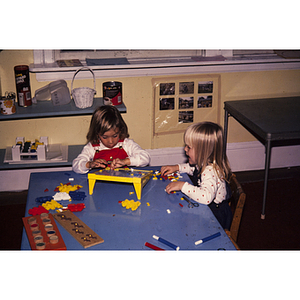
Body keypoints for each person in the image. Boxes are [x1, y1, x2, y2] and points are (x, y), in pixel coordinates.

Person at [161, 122, 233, 229]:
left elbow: (206, 198)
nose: (185, 149)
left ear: (203, 152)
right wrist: (177, 167)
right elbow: (193, 169)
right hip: (208, 210)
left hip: (215, 217)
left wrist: (182, 186)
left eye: (189, 147)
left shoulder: (210, 171)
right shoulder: (204, 163)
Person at [72, 105, 150, 174]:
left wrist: (125, 161)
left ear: (120, 130)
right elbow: (75, 165)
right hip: (100, 186)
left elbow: (145, 158)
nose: (111, 141)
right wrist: (89, 164)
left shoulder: (126, 144)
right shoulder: (92, 148)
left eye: (115, 136)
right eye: (105, 137)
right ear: (97, 133)